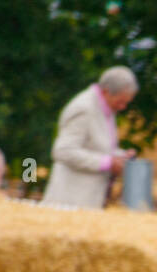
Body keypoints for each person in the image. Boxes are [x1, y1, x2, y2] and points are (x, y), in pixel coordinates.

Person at [41, 66, 138, 209]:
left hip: (88, 202)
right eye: (121, 101)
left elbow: (97, 147)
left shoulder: (106, 110)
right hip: (69, 203)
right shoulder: (83, 108)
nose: (123, 107)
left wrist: (121, 157)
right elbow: (63, 151)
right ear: (106, 92)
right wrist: (108, 163)